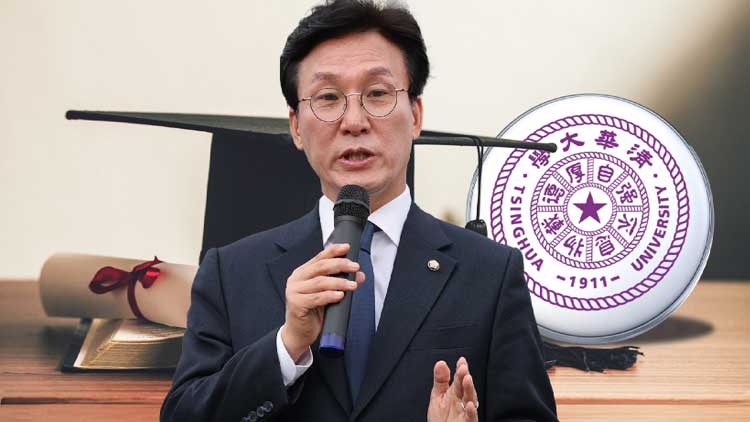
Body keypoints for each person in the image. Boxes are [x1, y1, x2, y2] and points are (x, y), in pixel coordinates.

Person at [161, 1, 558, 421]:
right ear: (296, 126)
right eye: (328, 98)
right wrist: (287, 345)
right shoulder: (230, 273)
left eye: (378, 94)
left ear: (416, 115)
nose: (354, 121)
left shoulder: (491, 273)